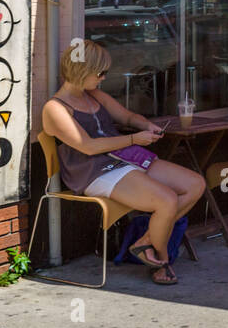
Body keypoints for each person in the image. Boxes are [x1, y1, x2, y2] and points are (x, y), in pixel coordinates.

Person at [41, 40, 205, 286]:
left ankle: (144, 242)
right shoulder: (55, 108)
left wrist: (145, 125)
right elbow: (87, 146)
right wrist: (132, 138)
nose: (104, 78)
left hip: (124, 158)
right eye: (100, 73)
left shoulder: (93, 94)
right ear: (82, 71)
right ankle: (161, 260)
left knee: (195, 184)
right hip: (94, 170)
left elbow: (126, 116)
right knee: (167, 200)